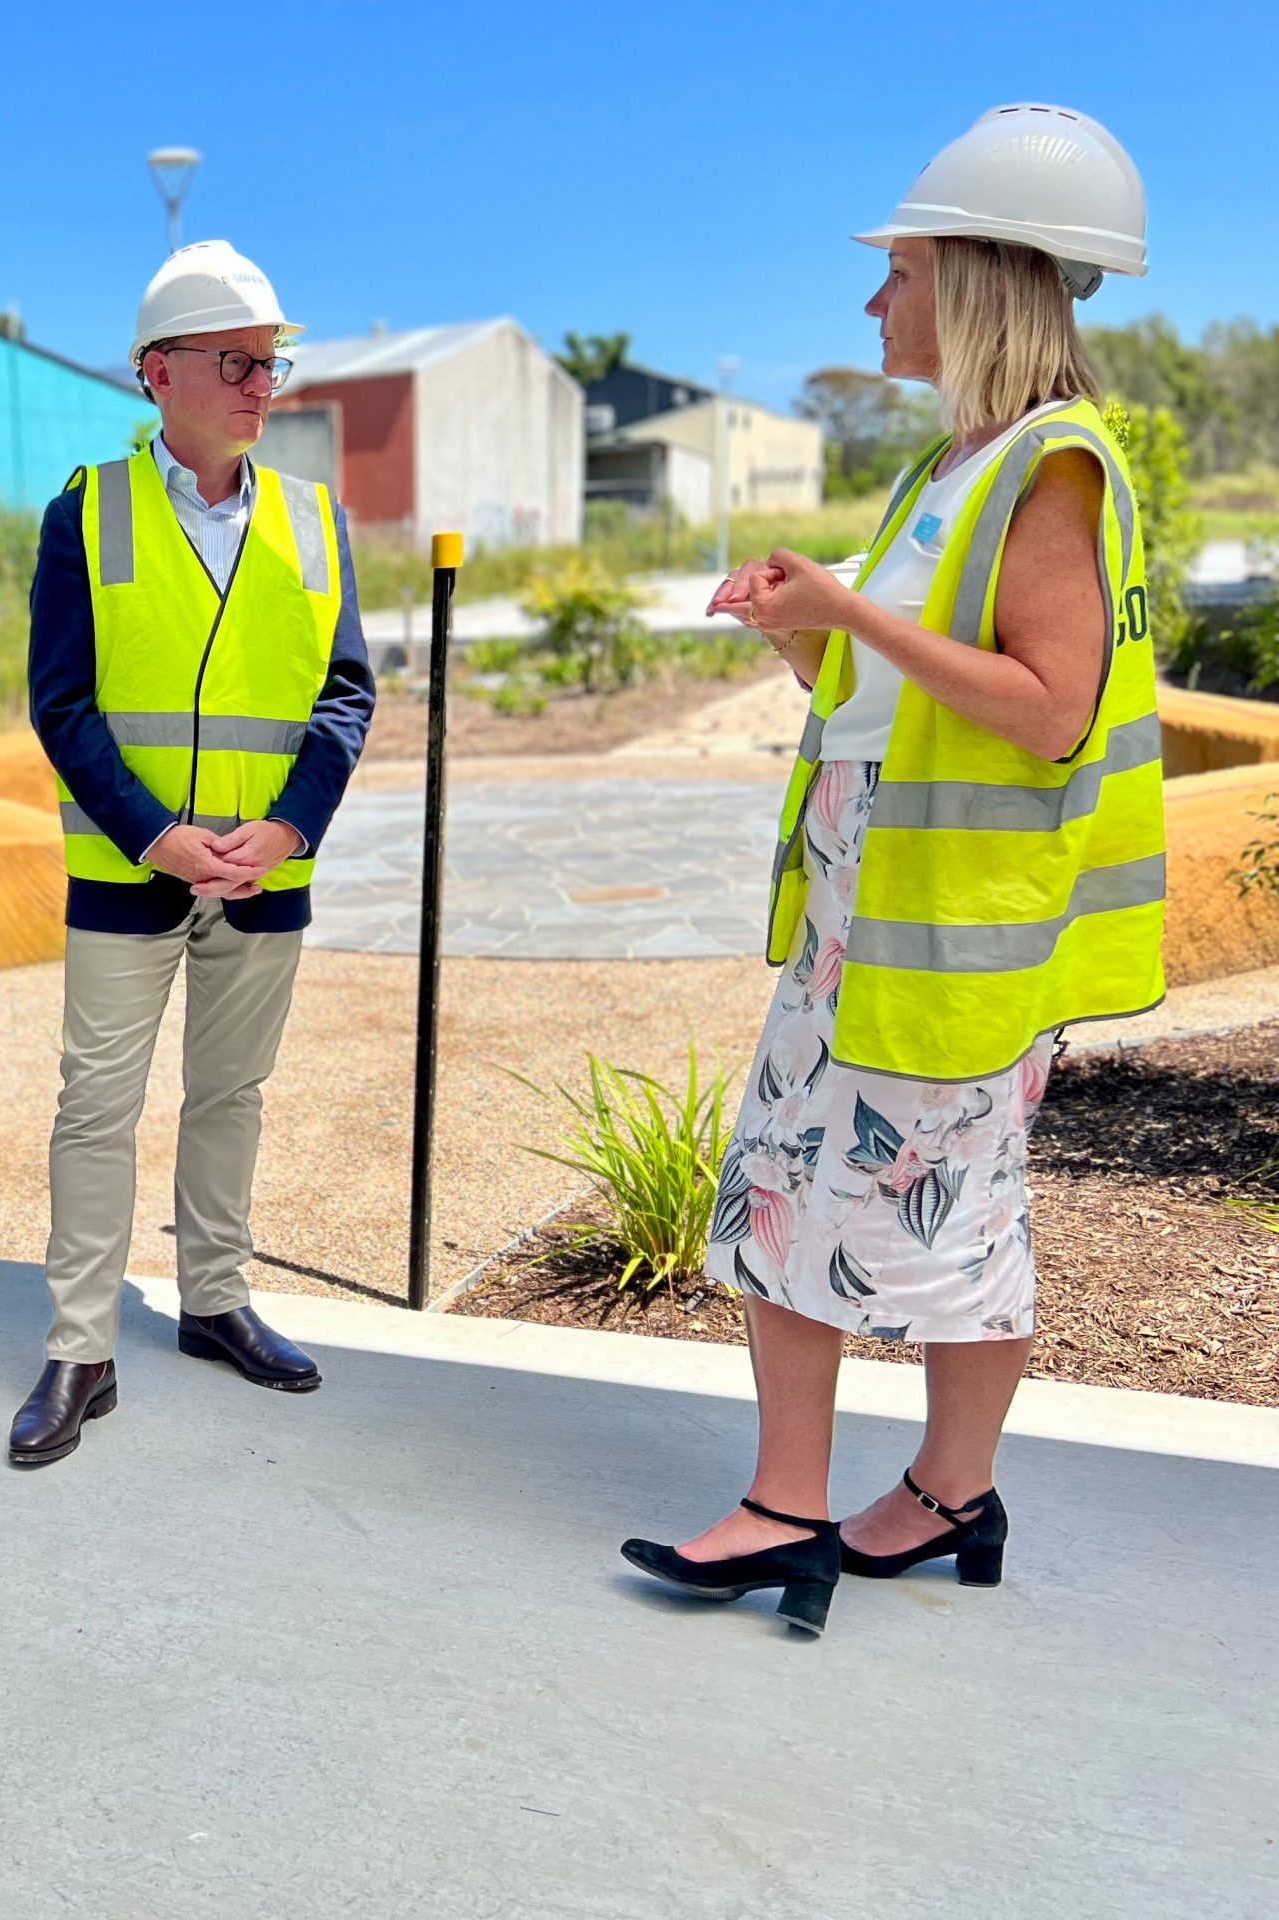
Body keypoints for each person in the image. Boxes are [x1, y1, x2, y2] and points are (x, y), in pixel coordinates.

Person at [622, 104, 1166, 1636]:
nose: (876, 303)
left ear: (982, 279)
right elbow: (894, 713)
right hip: (872, 913)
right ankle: (802, 1503)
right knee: (786, 1198)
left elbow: (1049, 712)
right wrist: (808, 635)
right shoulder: (955, 463)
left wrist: (854, 616)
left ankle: (933, 1493)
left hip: (955, 934)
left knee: (949, 1219)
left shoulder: (1056, 465)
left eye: (902, 271)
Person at [9, 241, 375, 1466]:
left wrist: (287, 828)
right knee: (96, 1106)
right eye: (237, 360)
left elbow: (344, 694)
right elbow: (61, 705)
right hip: (128, 872)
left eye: (270, 362)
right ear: (156, 374)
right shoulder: (84, 515)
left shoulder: (318, 521)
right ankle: (79, 1345)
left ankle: (214, 1303)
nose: (261, 382)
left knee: (231, 1096)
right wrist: (156, 836)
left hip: (268, 875)